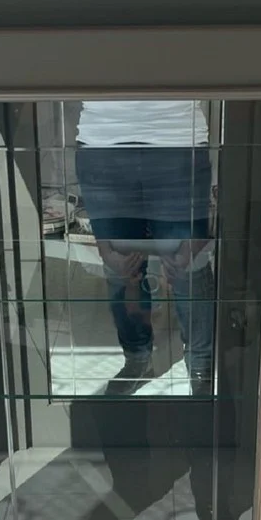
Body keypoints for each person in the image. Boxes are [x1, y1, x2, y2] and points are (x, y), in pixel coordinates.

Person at [75, 100, 215, 395]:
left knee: (189, 266)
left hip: (176, 137)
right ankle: (137, 358)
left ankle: (200, 367)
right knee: (120, 265)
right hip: (104, 139)